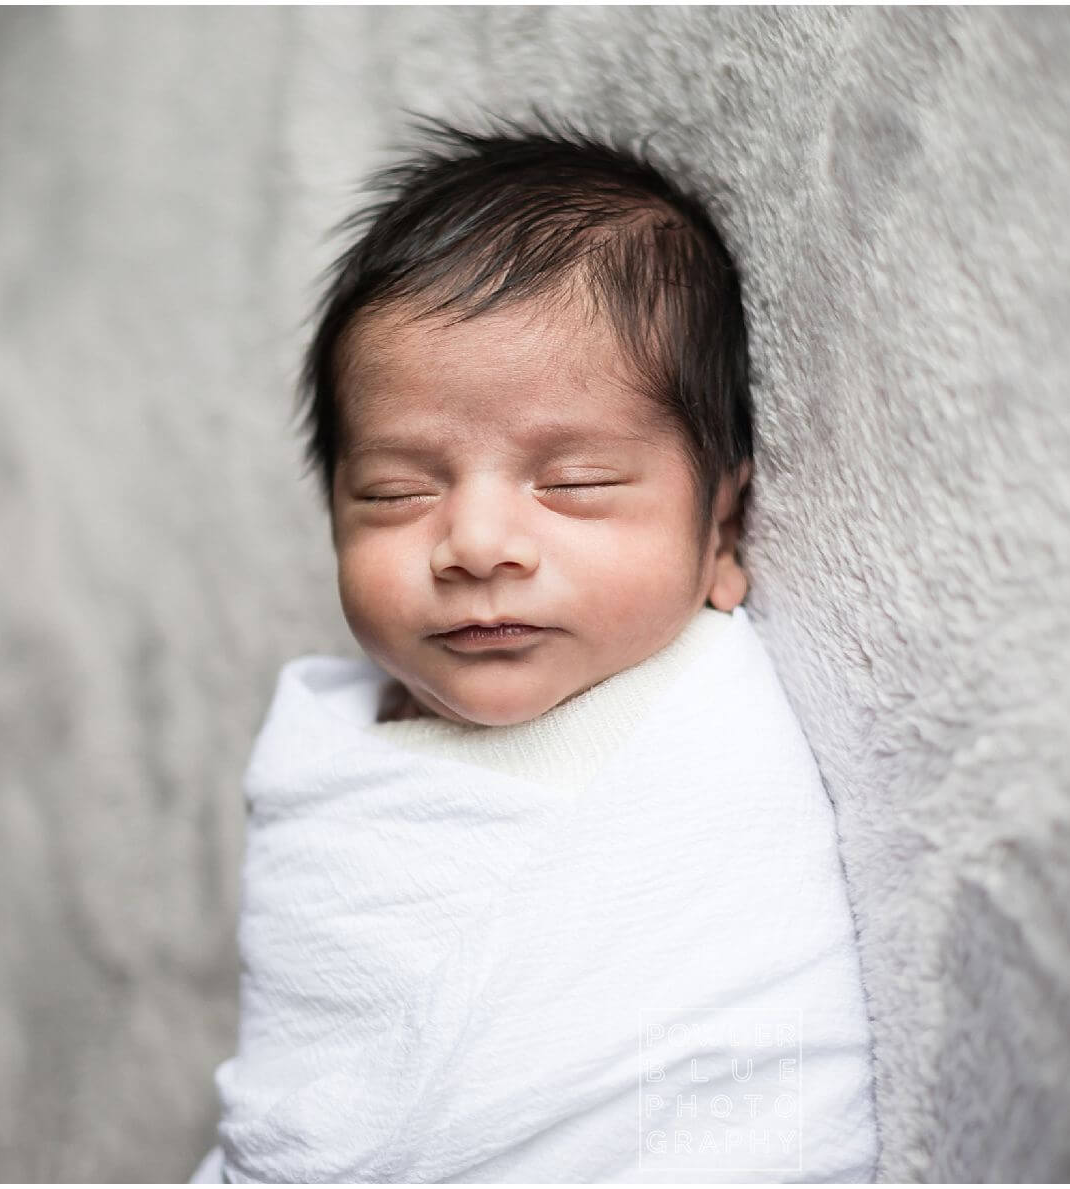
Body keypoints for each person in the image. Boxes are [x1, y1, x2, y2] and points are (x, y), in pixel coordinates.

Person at [191, 110, 878, 1183]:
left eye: (575, 484)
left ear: (723, 534)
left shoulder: (711, 736)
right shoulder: (327, 757)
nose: (474, 543)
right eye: (395, 491)